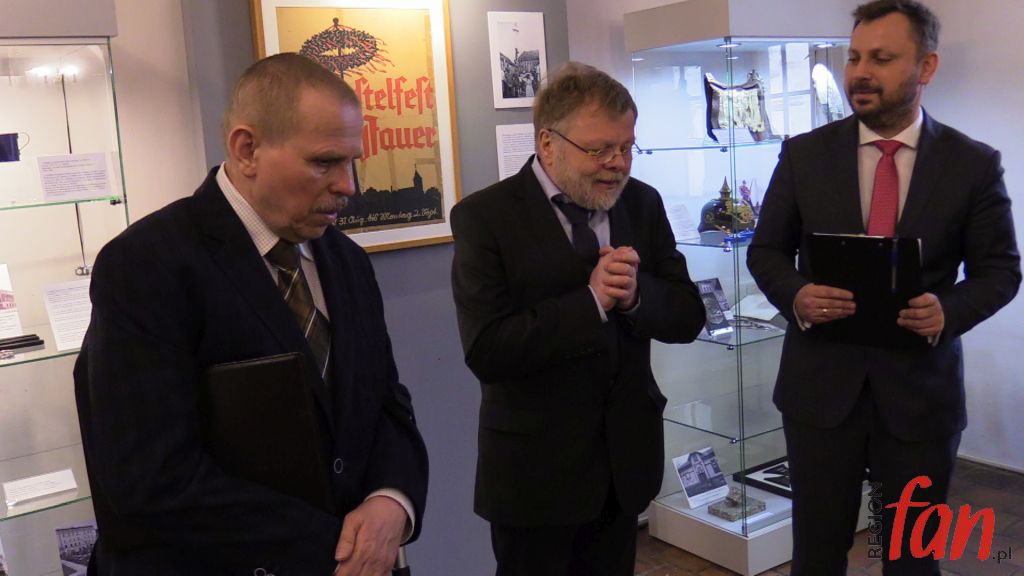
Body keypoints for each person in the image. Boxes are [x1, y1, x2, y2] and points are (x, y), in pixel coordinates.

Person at [74, 53, 428, 576]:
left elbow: (385, 404)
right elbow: (149, 477)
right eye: (325, 162)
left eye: (351, 161)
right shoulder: (147, 265)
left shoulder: (347, 261)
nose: (348, 185)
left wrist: (392, 501)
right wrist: (335, 546)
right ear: (247, 150)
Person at [747, 1, 1020, 574]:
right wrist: (796, 295)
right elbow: (766, 251)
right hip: (819, 393)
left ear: (927, 67)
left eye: (881, 58)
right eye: (853, 58)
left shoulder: (972, 164)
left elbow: (1000, 270)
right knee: (816, 557)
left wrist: (948, 310)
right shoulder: (804, 155)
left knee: (912, 561)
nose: (860, 72)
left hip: (920, 397)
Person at [450, 62, 706, 575]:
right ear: (548, 144)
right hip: (534, 480)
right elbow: (487, 350)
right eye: (600, 149)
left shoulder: (642, 203)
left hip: (623, 468)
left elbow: (688, 315)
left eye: (627, 147)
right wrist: (590, 302)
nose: (618, 164)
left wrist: (636, 296)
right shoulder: (485, 217)